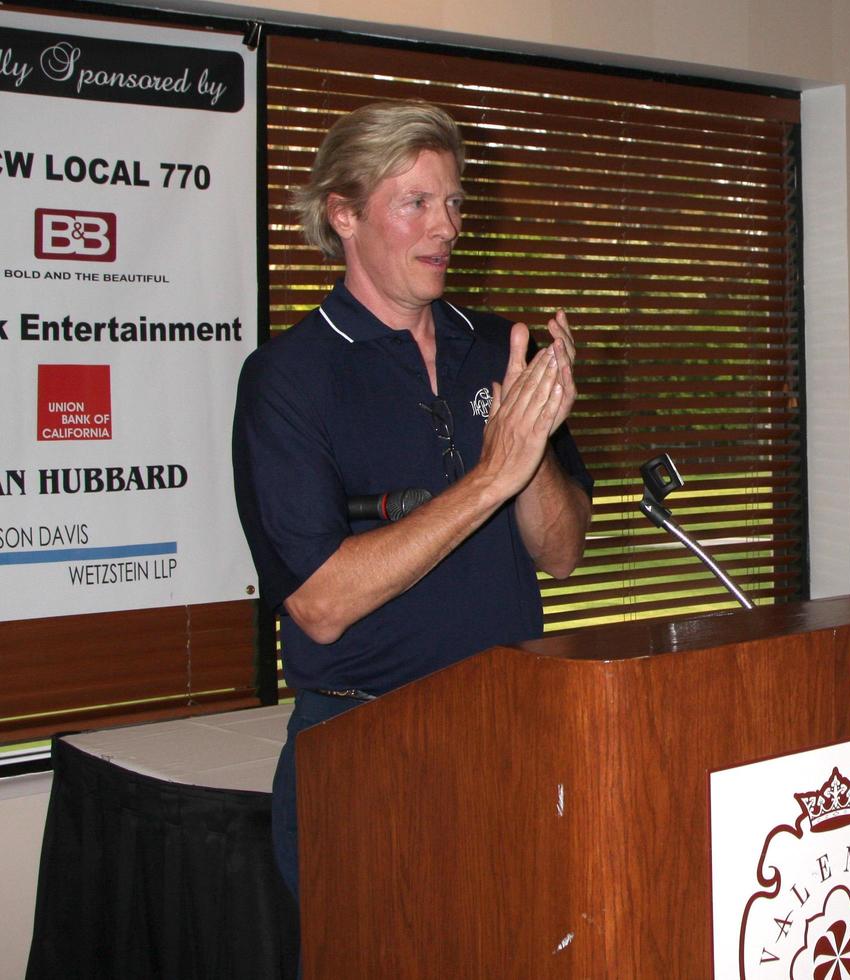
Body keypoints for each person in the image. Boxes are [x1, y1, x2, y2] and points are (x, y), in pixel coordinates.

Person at [231, 100, 593, 901]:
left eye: (455, 201)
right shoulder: (289, 380)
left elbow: (561, 555)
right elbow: (322, 603)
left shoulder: (501, 348)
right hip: (366, 750)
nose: (447, 227)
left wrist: (528, 454)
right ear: (344, 214)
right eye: (416, 203)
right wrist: (492, 476)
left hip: (510, 734)